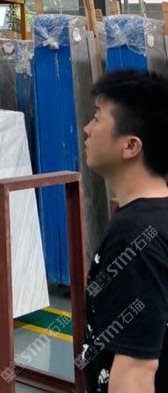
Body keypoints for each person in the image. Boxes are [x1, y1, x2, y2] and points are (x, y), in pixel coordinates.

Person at [82, 69, 168, 392]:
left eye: (97, 118)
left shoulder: (135, 235)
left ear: (131, 145)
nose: (87, 129)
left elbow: (135, 373)